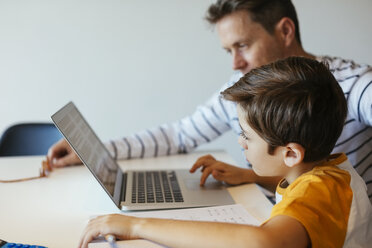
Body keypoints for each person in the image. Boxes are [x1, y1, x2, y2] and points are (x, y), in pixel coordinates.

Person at [48, 0, 372, 202]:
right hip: (265, 211)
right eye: (228, 51)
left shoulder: (350, 84)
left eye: (242, 45)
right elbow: (179, 135)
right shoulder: (241, 89)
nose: (234, 63)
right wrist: (94, 151)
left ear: (285, 31)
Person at [78, 57, 372, 248]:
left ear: (291, 153)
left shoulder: (321, 189)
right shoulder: (326, 173)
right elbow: (300, 191)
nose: (241, 142)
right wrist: (246, 175)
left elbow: (263, 243)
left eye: (246, 136)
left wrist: (136, 225)